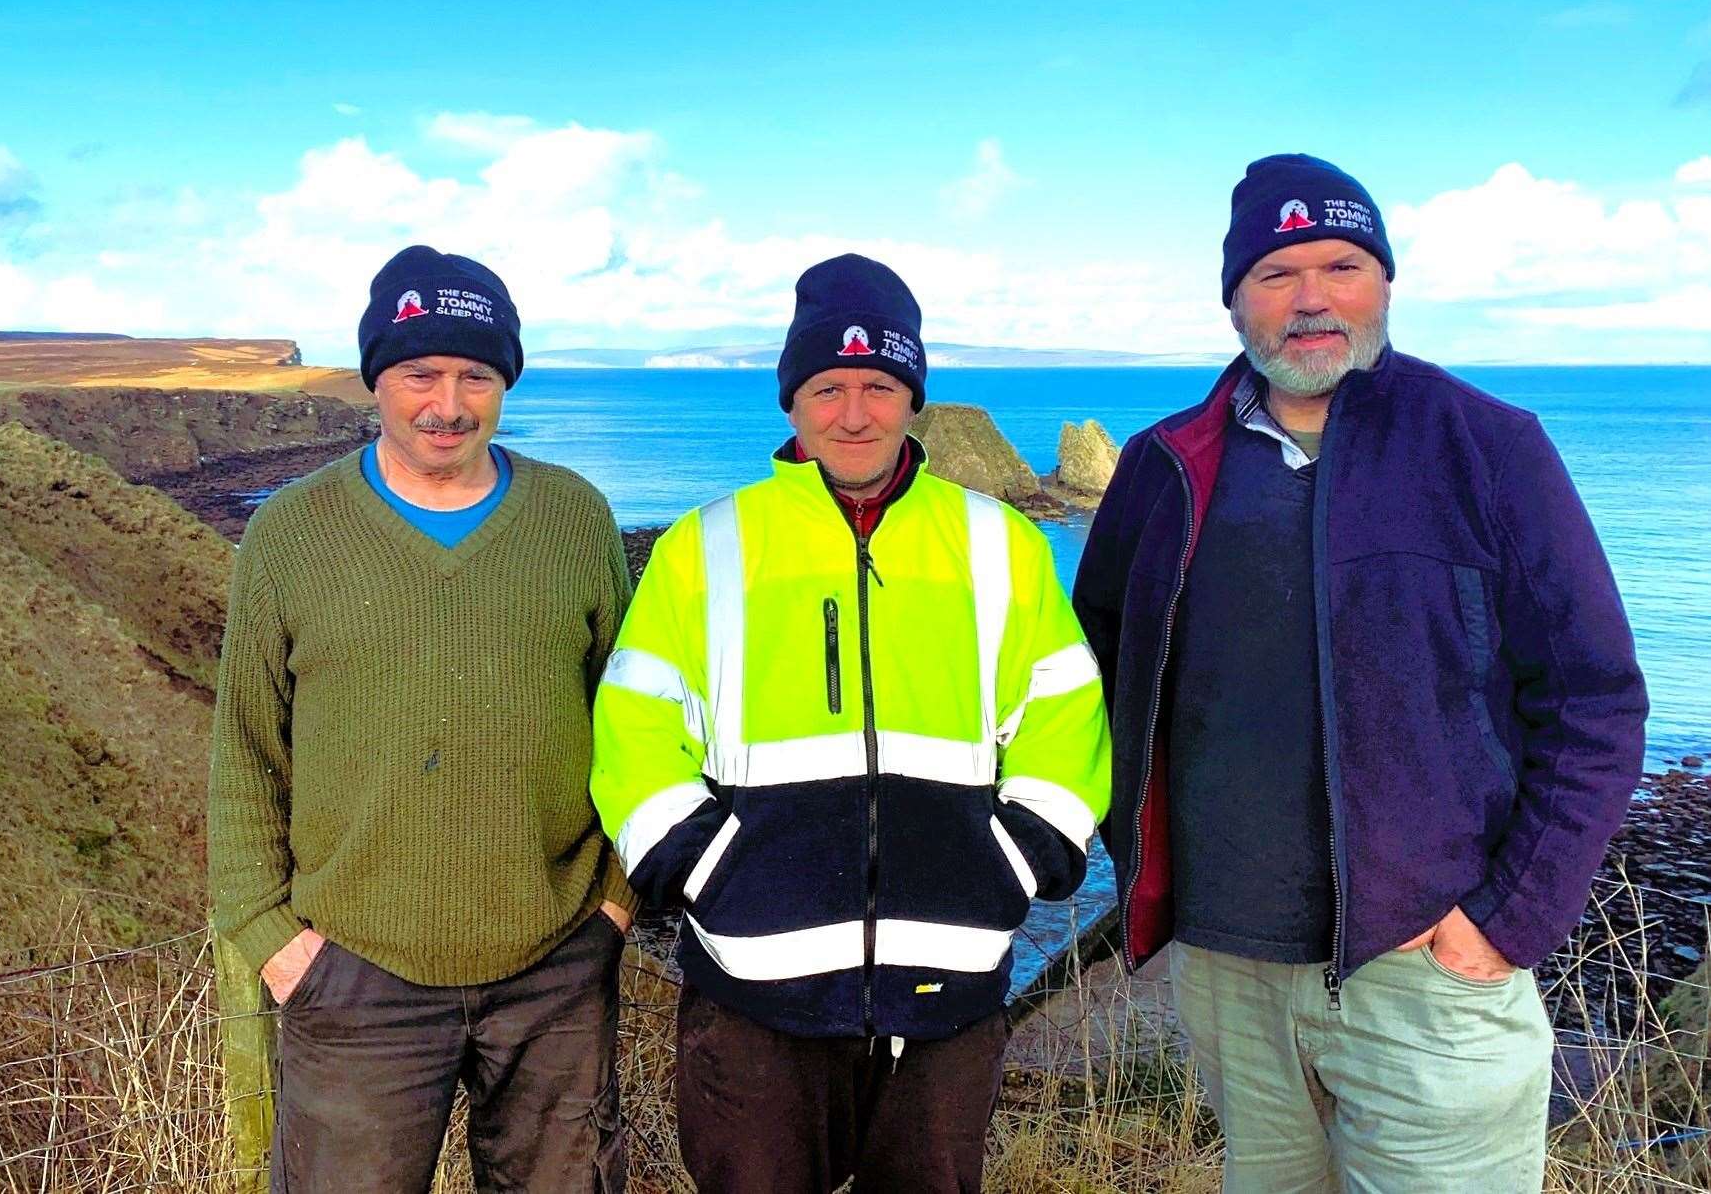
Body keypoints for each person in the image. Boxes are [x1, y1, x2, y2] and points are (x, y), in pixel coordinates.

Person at [1073, 154, 1648, 1192]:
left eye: (1340, 264)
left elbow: (1594, 700)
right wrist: (1136, 863)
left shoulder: (1487, 447)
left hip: (1424, 970)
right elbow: (1098, 673)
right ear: (1232, 299)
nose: (1309, 299)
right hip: (1227, 969)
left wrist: (1505, 920)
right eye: (1275, 273)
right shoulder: (1166, 466)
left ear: (1383, 280)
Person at [590, 253, 1111, 1193]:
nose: (855, 412)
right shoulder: (702, 547)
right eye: (828, 386)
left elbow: (1066, 722)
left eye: (879, 385)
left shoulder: (1003, 545)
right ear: (792, 401)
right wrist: (706, 871)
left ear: (913, 397)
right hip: (752, 991)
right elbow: (633, 732)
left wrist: (1010, 866)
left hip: (947, 995)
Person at [208, 245, 636, 1193]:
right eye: (420, 374)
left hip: (555, 964)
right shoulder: (290, 533)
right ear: (377, 382)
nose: (448, 402)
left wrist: (612, 899)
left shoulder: (574, 519)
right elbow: (246, 750)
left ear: (505, 383)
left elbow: (630, 717)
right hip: (356, 973)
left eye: (476, 374)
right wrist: (268, 934)